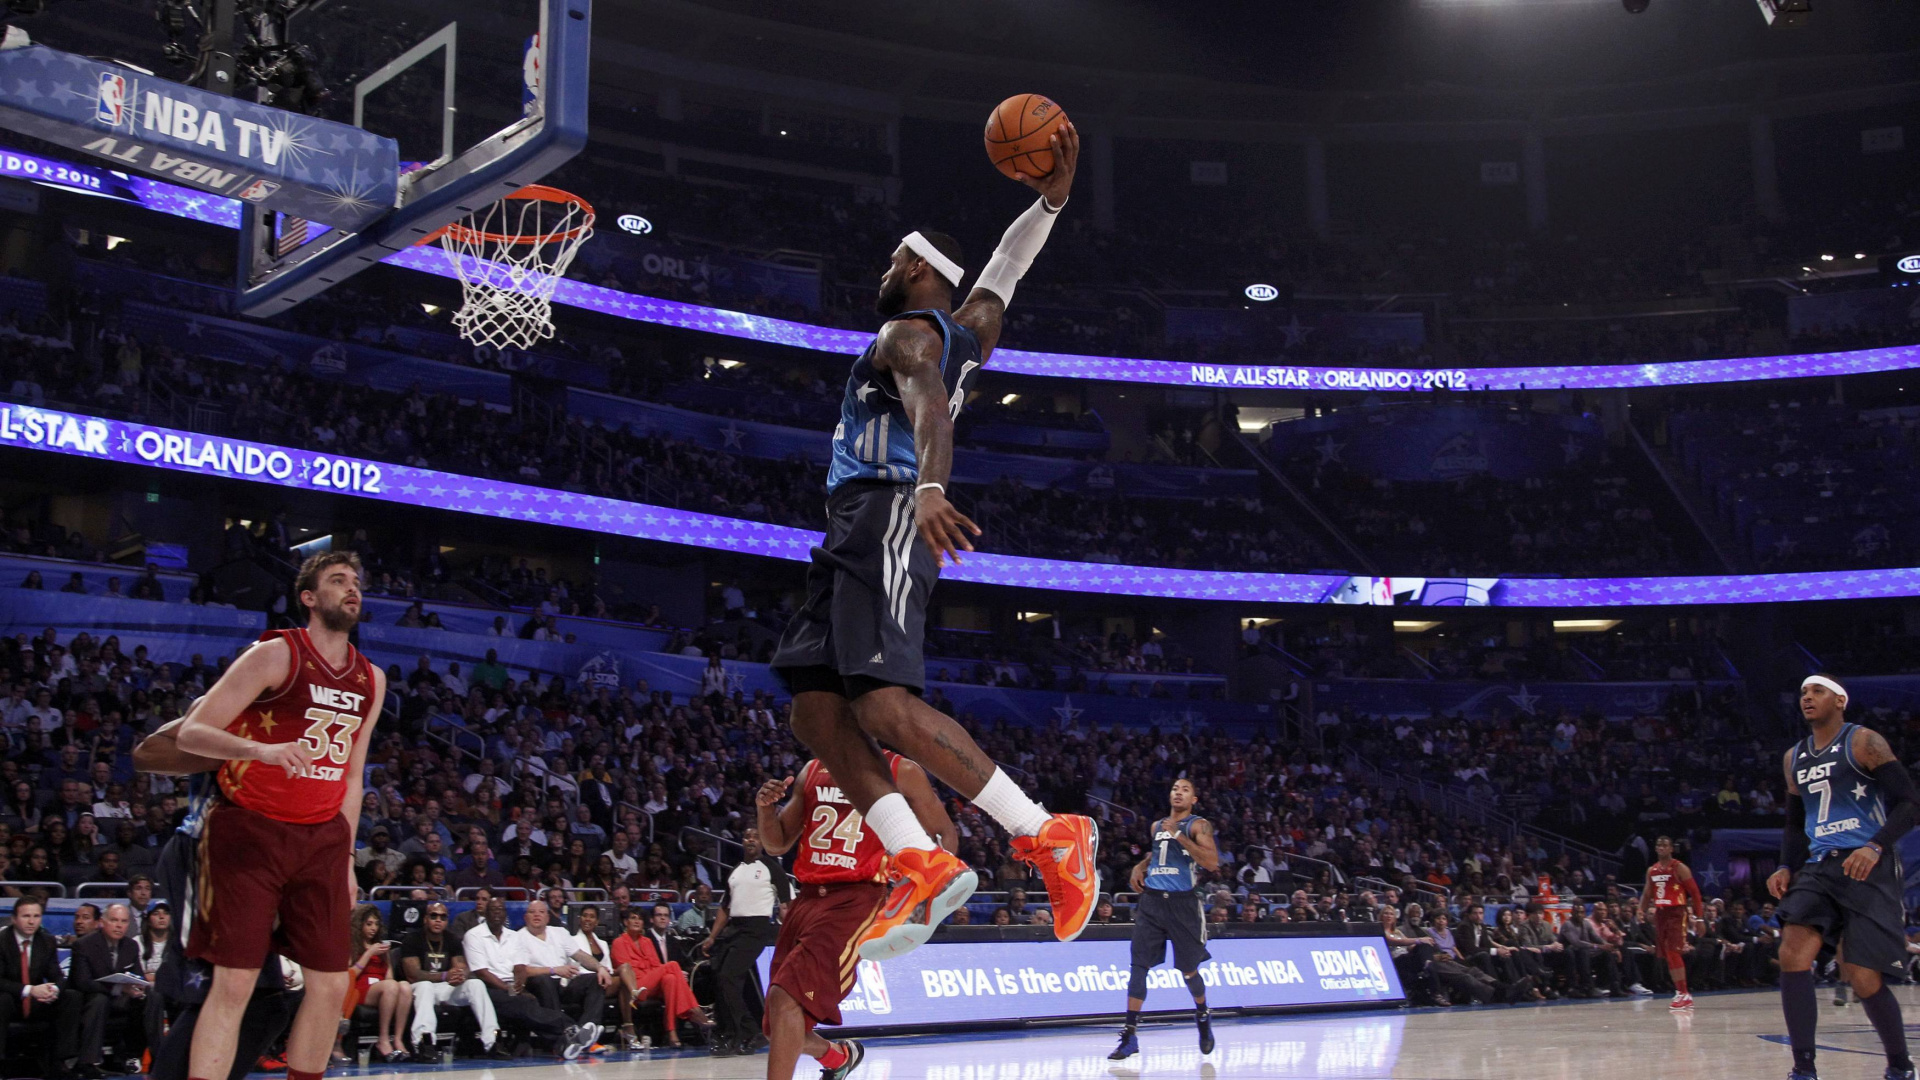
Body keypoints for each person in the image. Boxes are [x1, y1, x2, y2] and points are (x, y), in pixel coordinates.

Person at [765, 121, 1098, 960]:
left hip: (885, 513)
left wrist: (929, 488)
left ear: (915, 269)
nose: (881, 273)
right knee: (815, 708)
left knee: (879, 704)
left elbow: (924, 406)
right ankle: (916, 857)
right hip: (856, 525)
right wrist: (1050, 202)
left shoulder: (905, 336)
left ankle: (1047, 833)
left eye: (889, 261)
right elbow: (1005, 271)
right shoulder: (971, 327)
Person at [171, 551, 388, 1080]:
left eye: (356, 582)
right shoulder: (275, 654)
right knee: (237, 981)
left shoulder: (372, 679)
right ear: (309, 598)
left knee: (332, 983)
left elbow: (353, 776)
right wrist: (263, 752)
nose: (351, 589)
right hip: (250, 829)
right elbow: (190, 732)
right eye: (338, 580)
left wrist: (347, 861)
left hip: (323, 837)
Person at [754, 751, 955, 1080]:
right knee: (778, 1028)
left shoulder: (900, 770)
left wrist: (923, 900)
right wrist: (765, 810)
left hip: (856, 898)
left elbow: (945, 834)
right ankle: (838, 1056)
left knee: (785, 999)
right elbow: (777, 844)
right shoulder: (812, 769)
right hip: (805, 898)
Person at [130, 709, 305, 1080]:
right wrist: (250, 751)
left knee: (267, 1003)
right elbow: (146, 753)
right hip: (207, 854)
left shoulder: (321, 708)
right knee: (217, 993)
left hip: (264, 861)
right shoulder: (232, 699)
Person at [1768, 674, 1919, 1080]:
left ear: (1840, 701)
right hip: (1820, 865)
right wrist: (1785, 865)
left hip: (1867, 862)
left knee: (1863, 976)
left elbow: (1910, 803)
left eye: (1816, 691)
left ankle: (1900, 1065)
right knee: (1791, 954)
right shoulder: (1793, 758)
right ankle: (1803, 1068)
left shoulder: (1863, 741)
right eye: (1802, 693)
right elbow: (1795, 822)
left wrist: (1875, 846)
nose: (1807, 698)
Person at [1112, 778, 1219, 1060]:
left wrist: (1180, 837)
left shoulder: (1198, 825)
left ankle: (1202, 1013)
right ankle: (1130, 1034)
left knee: (1189, 971)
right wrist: (1140, 864)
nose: (1178, 792)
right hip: (1152, 903)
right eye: (1174, 788)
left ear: (1193, 799)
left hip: (1183, 905)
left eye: (1185, 789)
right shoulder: (1156, 826)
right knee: (1138, 966)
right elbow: (1160, 854)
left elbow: (1211, 862)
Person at [461, 897, 596, 1060]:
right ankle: (571, 1028)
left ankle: (562, 1044)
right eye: (493, 909)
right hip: (486, 988)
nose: (497, 912)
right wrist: (509, 989)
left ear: (505, 914)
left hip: (511, 985)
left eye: (501, 909)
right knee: (524, 1003)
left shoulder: (513, 936)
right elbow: (482, 972)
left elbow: (520, 967)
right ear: (485, 913)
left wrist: (519, 986)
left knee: (530, 997)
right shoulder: (474, 935)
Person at [702, 828, 788, 1056]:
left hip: (756, 930)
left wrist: (791, 934)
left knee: (728, 976)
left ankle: (740, 1032)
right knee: (719, 974)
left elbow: (786, 905)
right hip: (734, 929)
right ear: (742, 841)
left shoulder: (771, 868)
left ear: (762, 842)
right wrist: (712, 936)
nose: (750, 839)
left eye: (756, 836)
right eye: (747, 836)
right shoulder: (736, 871)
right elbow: (724, 907)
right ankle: (744, 1032)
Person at [398, 900, 499, 1061]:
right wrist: (445, 975)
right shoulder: (412, 939)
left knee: (476, 984)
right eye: (434, 916)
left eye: (443, 917)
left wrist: (461, 975)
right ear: (425, 919)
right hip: (419, 989)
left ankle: (492, 1041)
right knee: (425, 986)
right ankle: (424, 1043)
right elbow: (413, 974)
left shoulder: (452, 939)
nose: (438, 920)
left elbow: (460, 967)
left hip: (445, 989)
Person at [0, 895, 81, 1077]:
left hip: (36, 1002)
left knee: (71, 996)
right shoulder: (2, 941)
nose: (31, 921)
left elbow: (58, 976)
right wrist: (29, 990)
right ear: (14, 919)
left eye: (36, 916)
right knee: (2, 1000)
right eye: (26, 916)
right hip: (11, 1001)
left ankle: (62, 1061)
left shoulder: (46, 941)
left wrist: (54, 990)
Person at [609, 907, 705, 1050]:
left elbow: (656, 966)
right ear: (625, 922)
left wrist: (658, 975)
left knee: (671, 979)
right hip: (634, 987)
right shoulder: (619, 942)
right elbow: (625, 970)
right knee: (672, 965)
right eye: (633, 918)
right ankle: (694, 1010)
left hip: (651, 983)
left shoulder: (647, 941)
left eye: (640, 919)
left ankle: (672, 1034)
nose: (637, 921)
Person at [71, 902, 148, 1078]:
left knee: (152, 997)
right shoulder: (84, 945)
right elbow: (82, 982)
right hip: (90, 998)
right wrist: (118, 988)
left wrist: (139, 989)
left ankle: (146, 1055)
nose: (119, 925)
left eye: (123, 921)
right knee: (100, 999)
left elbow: (138, 976)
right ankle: (88, 1062)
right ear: (102, 922)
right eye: (114, 920)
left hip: (122, 998)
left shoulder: (131, 946)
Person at [512, 900, 611, 1034]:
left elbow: (580, 955)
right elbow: (522, 971)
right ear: (525, 917)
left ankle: (586, 1030)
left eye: (541, 912)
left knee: (594, 980)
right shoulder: (518, 937)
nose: (537, 915)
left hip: (562, 984)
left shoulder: (559, 932)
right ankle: (564, 1032)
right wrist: (553, 970)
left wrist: (600, 968)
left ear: (547, 917)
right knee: (544, 980)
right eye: (532, 912)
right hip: (536, 985)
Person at [335, 905, 409, 1065]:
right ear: (360, 924)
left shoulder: (382, 948)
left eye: (376, 924)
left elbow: (389, 977)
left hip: (383, 990)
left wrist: (385, 958)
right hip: (360, 989)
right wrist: (369, 953)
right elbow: (350, 973)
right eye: (369, 924)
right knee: (390, 986)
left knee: (404, 986)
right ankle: (383, 1039)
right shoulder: (352, 945)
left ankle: (397, 1039)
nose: (373, 928)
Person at [1639, 834, 1705, 1010]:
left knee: (1673, 952)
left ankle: (1684, 993)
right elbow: (1647, 893)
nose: (1661, 847)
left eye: (1665, 845)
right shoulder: (1652, 870)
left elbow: (1696, 894)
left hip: (1676, 912)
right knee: (1667, 954)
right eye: (1658, 845)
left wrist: (1699, 918)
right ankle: (1680, 991)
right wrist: (1640, 909)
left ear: (1671, 849)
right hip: (1660, 913)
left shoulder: (1679, 868)